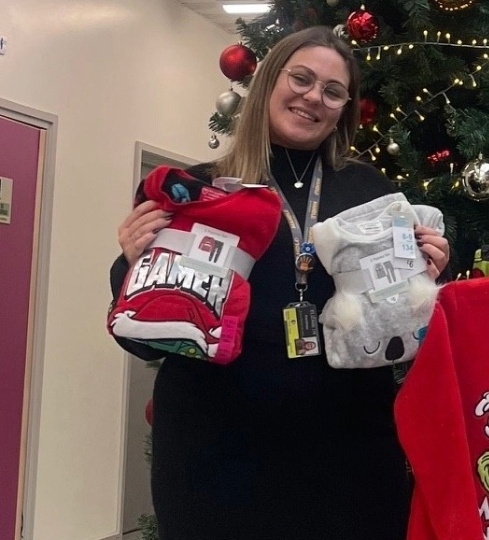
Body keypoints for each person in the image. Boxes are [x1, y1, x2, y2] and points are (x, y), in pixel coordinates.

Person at [110, 26, 449, 540]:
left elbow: (406, 326)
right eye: (302, 78)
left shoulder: (374, 195)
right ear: (271, 80)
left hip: (348, 456)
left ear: (344, 110)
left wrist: (426, 268)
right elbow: (138, 336)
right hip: (215, 455)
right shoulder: (197, 190)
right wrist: (133, 263)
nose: (314, 96)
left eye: (333, 91)